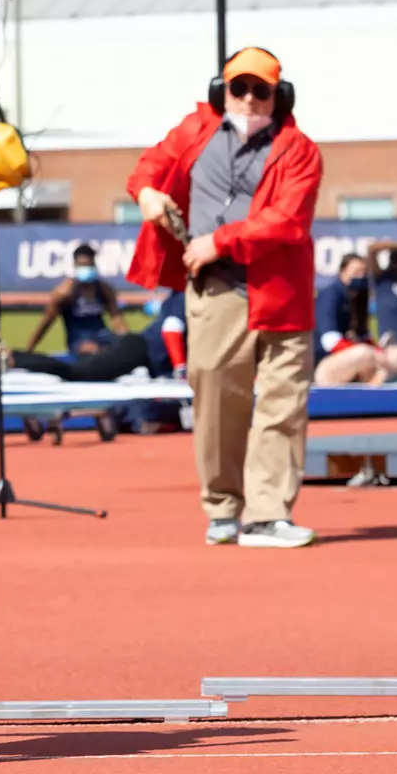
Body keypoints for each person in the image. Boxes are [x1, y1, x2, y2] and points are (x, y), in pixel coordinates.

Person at [126, 46, 322, 549]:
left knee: (282, 405)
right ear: (223, 90)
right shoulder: (195, 130)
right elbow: (148, 166)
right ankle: (223, 507)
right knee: (215, 400)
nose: (250, 98)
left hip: (281, 293)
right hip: (215, 294)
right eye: (240, 87)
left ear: (280, 96)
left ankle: (267, 515)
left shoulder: (300, 150)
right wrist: (146, 192)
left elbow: (288, 219)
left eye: (262, 90)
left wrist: (220, 240)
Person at [0, 289, 186, 383]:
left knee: (82, 370)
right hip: (140, 349)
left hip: (135, 348)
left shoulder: (185, 293)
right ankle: (14, 357)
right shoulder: (187, 295)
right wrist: (181, 369)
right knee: (77, 372)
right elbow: (172, 328)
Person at [312, 253, 397, 386]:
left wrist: (379, 351)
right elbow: (330, 341)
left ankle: (375, 395)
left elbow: (363, 335)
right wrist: (372, 353)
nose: (360, 276)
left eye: (363, 272)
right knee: (364, 353)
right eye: (356, 272)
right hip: (324, 366)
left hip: (351, 364)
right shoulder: (330, 295)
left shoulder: (358, 297)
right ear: (342, 272)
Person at [21, 243, 130, 356]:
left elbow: (117, 318)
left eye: (89, 265)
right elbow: (46, 322)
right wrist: (29, 349)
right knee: (93, 350)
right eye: (82, 265)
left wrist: (128, 341)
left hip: (102, 334)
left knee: (123, 347)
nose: (86, 269)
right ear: (75, 266)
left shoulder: (103, 289)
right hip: (79, 338)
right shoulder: (64, 293)